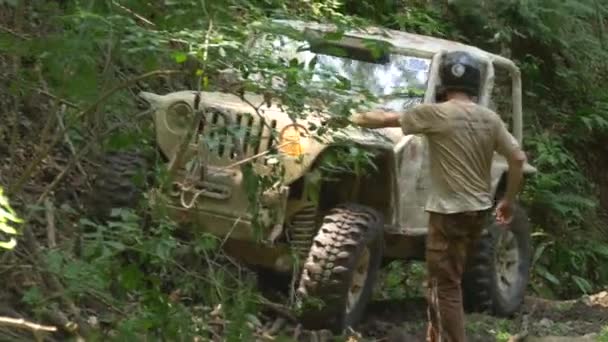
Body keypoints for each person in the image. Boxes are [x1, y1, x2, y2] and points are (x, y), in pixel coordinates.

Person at [350, 50, 527, 342]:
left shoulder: (435, 113)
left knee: (445, 286)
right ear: (476, 85)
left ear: (443, 84)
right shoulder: (490, 119)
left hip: (448, 214)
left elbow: (385, 119)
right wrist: (508, 200)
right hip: (477, 212)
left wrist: (349, 117)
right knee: (440, 282)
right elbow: (518, 159)